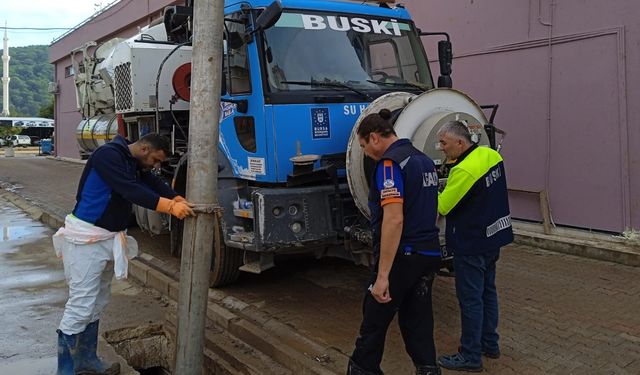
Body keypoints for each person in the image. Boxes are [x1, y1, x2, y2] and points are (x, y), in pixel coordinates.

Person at [53, 133, 195, 375]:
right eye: (156, 160)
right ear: (144, 149)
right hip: (86, 239)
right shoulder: (108, 155)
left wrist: (175, 197)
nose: (156, 165)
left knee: (97, 301)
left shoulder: (132, 161)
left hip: (106, 237)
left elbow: (150, 181)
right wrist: (169, 207)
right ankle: (65, 369)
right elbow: (129, 189)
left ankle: (87, 359)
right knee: (81, 303)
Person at [349, 109, 442, 375]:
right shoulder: (424, 161)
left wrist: (382, 276)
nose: (366, 153)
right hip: (428, 253)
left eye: (364, 146)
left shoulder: (390, 165)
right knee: (418, 320)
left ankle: (362, 369)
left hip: (404, 255)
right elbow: (433, 209)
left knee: (374, 321)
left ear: (375, 137)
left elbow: (393, 220)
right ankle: (427, 369)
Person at [435, 121, 513, 372]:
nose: (441, 148)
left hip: (471, 243)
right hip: (494, 237)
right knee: (488, 292)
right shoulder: (490, 155)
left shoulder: (464, 171)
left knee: (470, 300)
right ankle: (490, 344)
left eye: (444, 143)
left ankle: (470, 355)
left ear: (460, 142)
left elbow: (442, 206)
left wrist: (429, 189)